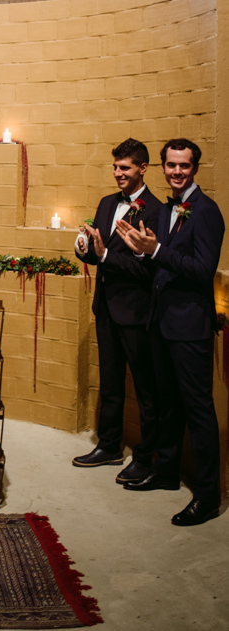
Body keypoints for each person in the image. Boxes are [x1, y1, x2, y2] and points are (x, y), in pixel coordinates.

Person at [116, 138, 224, 527]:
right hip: (160, 323)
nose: (177, 172)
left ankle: (209, 495)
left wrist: (156, 250)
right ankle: (165, 472)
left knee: (198, 410)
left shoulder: (207, 212)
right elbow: (158, 263)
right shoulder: (165, 211)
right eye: (171, 165)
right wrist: (141, 251)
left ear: (195, 168)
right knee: (168, 404)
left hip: (190, 327)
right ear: (162, 167)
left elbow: (201, 270)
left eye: (185, 166)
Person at [72, 139, 162, 484]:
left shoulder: (156, 210)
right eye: (115, 167)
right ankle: (109, 445)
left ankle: (146, 455)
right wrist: (85, 250)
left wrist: (106, 257)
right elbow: (99, 251)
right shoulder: (107, 203)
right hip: (106, 306)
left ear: (143, 168)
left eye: (125, 168)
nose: (118, 173)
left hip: (137, 312)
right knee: (110, 380)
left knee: (144, 386)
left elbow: (147, 268)